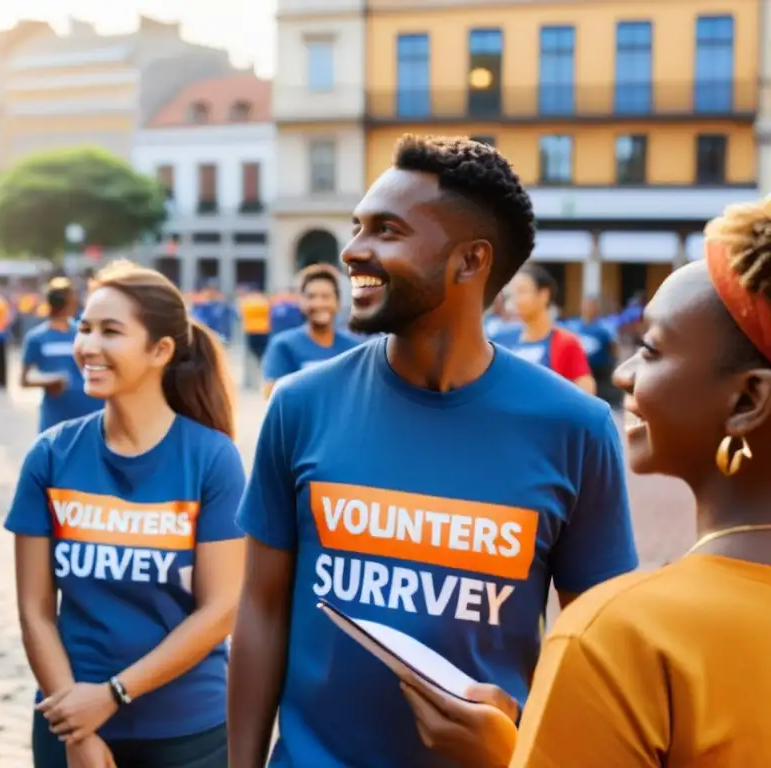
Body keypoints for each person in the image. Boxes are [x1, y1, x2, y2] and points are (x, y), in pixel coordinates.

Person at [227, 135, 638, 768]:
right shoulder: (300, 405)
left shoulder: (576, 427)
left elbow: (597, 651)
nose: (353, 250)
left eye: (387, 231)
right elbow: (260, 607)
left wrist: (519, 739)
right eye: (358, 226)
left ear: (470, 261)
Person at [401, 196, 771, 767]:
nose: (623, 374)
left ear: (747, 399)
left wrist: (507, 753)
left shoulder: (616, 637)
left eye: (650, 349)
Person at [5, 260, 246, 768]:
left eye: (110, 331)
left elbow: (220, 608)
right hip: (67, 717)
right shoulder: (50, 456)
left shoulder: (211, 459)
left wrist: (113, 695)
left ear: (160, 350)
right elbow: (35, 609)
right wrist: (75, 727)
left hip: (186, 728)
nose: (88, 346)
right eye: (84, 328)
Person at [262, 263, 362, 398]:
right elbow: (273, 397)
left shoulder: (354, 349)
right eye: (311, 296)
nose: (318, 303)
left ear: (338, 302)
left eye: (326, 297)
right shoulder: (283, 345)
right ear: (301, 302)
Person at [492, 263, 594, 393]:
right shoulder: (503, 341)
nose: (515, 299)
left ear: (544, 295)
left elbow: (587, 394)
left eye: (522, 291)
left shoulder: (566, 342)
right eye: (512, 293)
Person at [20, 277, 103, 433]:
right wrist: (49, 380)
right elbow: (24, 380)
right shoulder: (37, 337)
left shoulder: (85, 333)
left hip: (93, 413)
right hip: (56, 419)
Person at [564, 294, 621, 406]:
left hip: (599, 370)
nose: (588, 308)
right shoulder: (572, 326)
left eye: (591, 305)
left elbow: (613, 347)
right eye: (586, 305)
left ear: (596, 308)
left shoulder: (605, 327)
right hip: (579, 369)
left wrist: (612, 363)